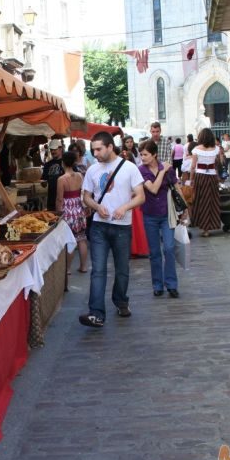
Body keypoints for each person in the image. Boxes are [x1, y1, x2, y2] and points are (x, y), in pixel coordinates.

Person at [79, 131, 145, 327]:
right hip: (99, 226)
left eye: (99, 149)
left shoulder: (130, 168)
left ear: (109, 147)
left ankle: (121, 301)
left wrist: (124, 208)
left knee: (122, 269)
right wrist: (97, 207)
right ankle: (96, 313)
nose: (96, 153)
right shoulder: (92, 171)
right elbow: (86, 197)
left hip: (122, 227)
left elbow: (140, 196)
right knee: (97, 270)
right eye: (93, 150)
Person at [139, 140, 183, 298]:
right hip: (149, 214)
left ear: (154, 154)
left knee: (169, 248)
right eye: (141, 154)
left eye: (145, 154)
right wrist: (163, 171)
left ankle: (171, 284)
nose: (142, 157)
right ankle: (157, 285)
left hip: (167, 214)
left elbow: (176, 186)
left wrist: (184, 209)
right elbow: (153, 188)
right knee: (155, 252)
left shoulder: (168, 169)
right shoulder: (141, 170)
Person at [56, 151, 88, 273]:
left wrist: (58, 214)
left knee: (70, 240)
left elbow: (59, 198)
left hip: (67, 210)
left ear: (63, 163)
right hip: (79, 209)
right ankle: (84, 266)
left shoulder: (61, 179)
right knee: (81, 238)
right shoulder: (80, 175)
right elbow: (83, 192)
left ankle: (68, 269)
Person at [189, 128, 221, 237]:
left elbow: (193, 167)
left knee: (201, 201)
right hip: (212, 177)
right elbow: (217, 165)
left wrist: (191, 180)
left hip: (200, 177)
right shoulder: (216, 149)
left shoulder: (196, 149)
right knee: (211, 201)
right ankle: (209, 226)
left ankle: (203, 227)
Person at [121, 138, 149, 257]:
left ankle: (138, 249)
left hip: (134, 203)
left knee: (136, 227)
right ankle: (130, 250)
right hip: (124, 203)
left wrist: (131, 193)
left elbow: (139, 188)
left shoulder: (135, 170)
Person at [41, 139, 64, 211]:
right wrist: (43, 182)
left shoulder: (66, 162)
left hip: (64, 198)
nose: (53, 151)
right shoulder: (47, 165)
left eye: (55, 149)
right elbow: (43, 181)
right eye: (51, 149)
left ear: (60, 149)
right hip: (51, 198)